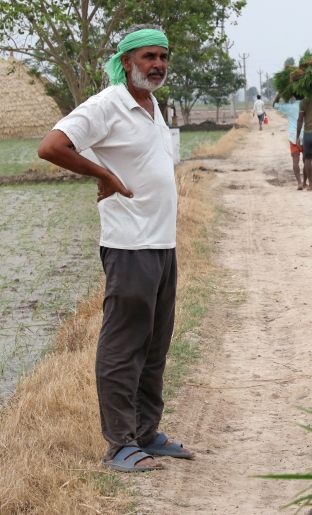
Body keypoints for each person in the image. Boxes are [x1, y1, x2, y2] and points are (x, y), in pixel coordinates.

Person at [37, 24, 194, 472]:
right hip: (130, 246)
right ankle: (119, 445)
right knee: (124, 347)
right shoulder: (108, 104)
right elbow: (52, 146)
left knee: (155, 346)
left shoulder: (151, 104)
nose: (158, 65)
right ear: (126, 62)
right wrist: (102, 175)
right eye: (148, 57)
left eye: (163, 57)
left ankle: (146, 433)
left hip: (162, 242)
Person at [272, 93, 306, 190]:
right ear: (304, 95)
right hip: (307, 136)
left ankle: (299, 182)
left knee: (295, 161)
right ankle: (305, 182)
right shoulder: (308, 106)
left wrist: (279, 93)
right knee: (306, 161)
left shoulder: (289, 107)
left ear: (294, 96)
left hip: (294, 137)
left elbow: (275, 104)